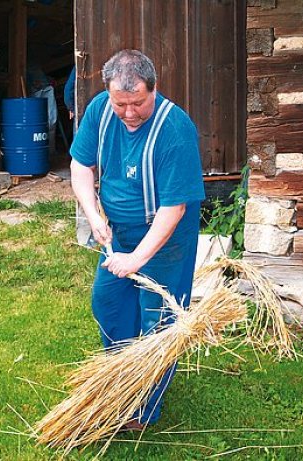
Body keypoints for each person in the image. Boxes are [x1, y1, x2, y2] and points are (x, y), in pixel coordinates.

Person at [70, 49, 205, 430]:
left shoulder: (174, 129)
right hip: (120, 229)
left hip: (166, 233)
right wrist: (94, 213)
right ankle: (121, 382)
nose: (129, 113)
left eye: (138, 103)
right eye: (121, 104)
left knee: (158, 316)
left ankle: (144, 410)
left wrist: (136, 260)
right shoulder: (100, 109)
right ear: (109, 94)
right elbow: (81, 165)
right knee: (109, 302)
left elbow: (173, 209)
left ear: (154, 90)